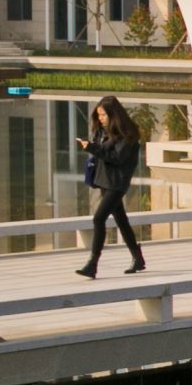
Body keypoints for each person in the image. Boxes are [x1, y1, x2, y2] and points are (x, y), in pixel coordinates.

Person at [74, 94, 146, 277]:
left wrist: (91, 148)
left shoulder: (127, 135)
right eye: (98, 115)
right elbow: (103, 153)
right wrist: (92, 144)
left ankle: (92, 263)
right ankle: (137, 258)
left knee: (99, 218)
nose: (100, 119)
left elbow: (117, 158)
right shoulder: (103, 132)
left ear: (114, 115)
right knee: (121, 220)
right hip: (104, 181)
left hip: (117, 183)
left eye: (103, 115)